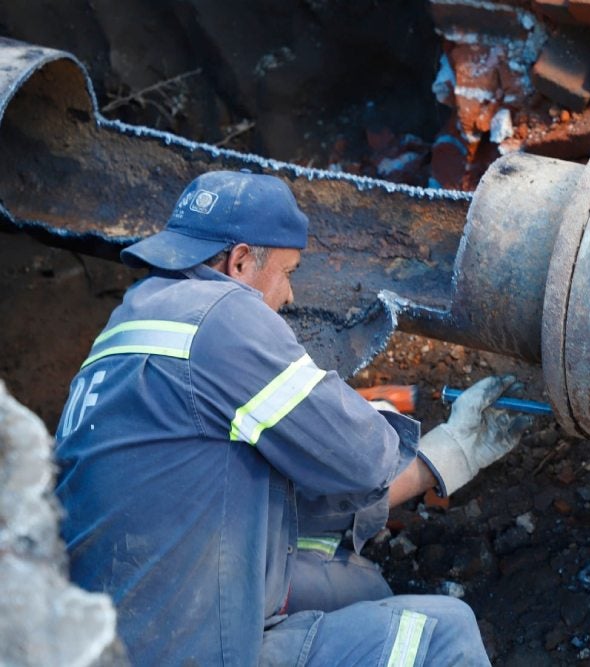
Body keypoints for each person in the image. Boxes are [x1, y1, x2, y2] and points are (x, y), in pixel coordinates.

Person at [54, 170, 530, 665]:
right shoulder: (223, 319)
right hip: (189, 649)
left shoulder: (128, 325)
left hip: (116, 631)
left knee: (359, 585)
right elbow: (363, 460)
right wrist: (365, 421)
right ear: (240, 261)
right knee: (443, 634)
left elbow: (286, 496)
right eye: (288, 272)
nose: (290, 296)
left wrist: (449, 454)